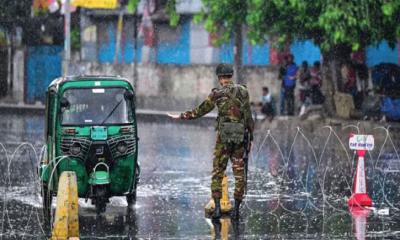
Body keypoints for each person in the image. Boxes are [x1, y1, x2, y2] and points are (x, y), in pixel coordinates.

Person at [172, 64, 254, 219]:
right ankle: (236, 209)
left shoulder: (217, 94)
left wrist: (182, 116)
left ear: (219, 78)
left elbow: (200, 111)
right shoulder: (244, 91)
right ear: (231, 75)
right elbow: (248, 116)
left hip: (223, 139)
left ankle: (217, 208)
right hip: (239, 138)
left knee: (218, 172)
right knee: (239, 174)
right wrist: (251, 137)